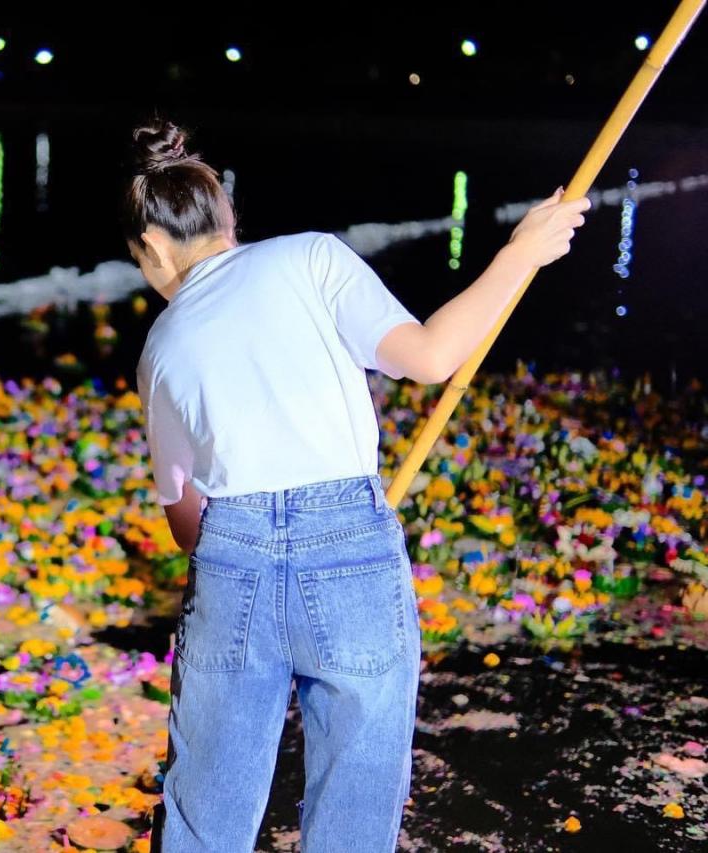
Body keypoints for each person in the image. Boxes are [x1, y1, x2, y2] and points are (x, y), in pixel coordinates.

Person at [123, 116, 590, 852]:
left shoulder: (162, 344)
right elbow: (429, 357)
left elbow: (187, 521)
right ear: (228, 218)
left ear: (151, 246)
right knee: (354, 803)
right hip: (347, 540)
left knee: (206, 809)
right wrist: (519, 254)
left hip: (232, 558)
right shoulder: (310, 256)